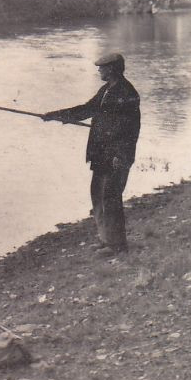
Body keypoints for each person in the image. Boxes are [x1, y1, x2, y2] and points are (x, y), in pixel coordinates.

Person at [42, 52, 141, 255]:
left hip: (116, 156)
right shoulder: (106, 90)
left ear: (112, 69)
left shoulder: (126, 92)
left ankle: (117, 245)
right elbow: (87, 109)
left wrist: (120, 155)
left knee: (111, 197)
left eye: (102, 68)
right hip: (101, 155)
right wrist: (55, 115)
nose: (99, 71)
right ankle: (106, 240)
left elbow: (130, 130)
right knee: (98, 195)